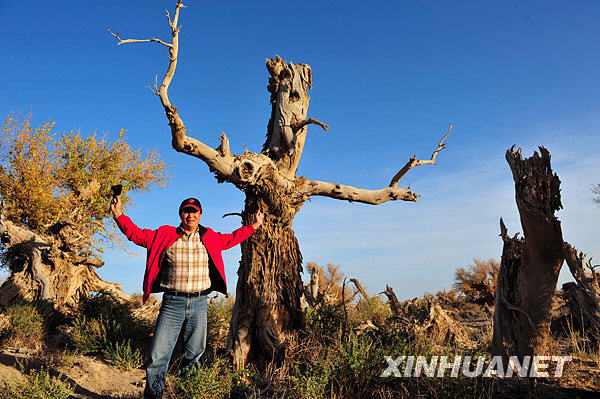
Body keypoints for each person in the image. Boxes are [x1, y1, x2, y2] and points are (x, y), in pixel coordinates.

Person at [110, 195, 263, 399]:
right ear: (180, 214)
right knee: (158, 356)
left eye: (194, 211)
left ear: (200, 215)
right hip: (172, 303)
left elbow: (232, 238)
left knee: (194, 355)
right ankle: (153, 396)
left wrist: (253, 226)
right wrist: (119, 215)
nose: (190, 215)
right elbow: (137, 235)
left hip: (199, 303)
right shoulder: (165, 234)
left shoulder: (209, 237)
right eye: (186, 211)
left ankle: (189, 393)